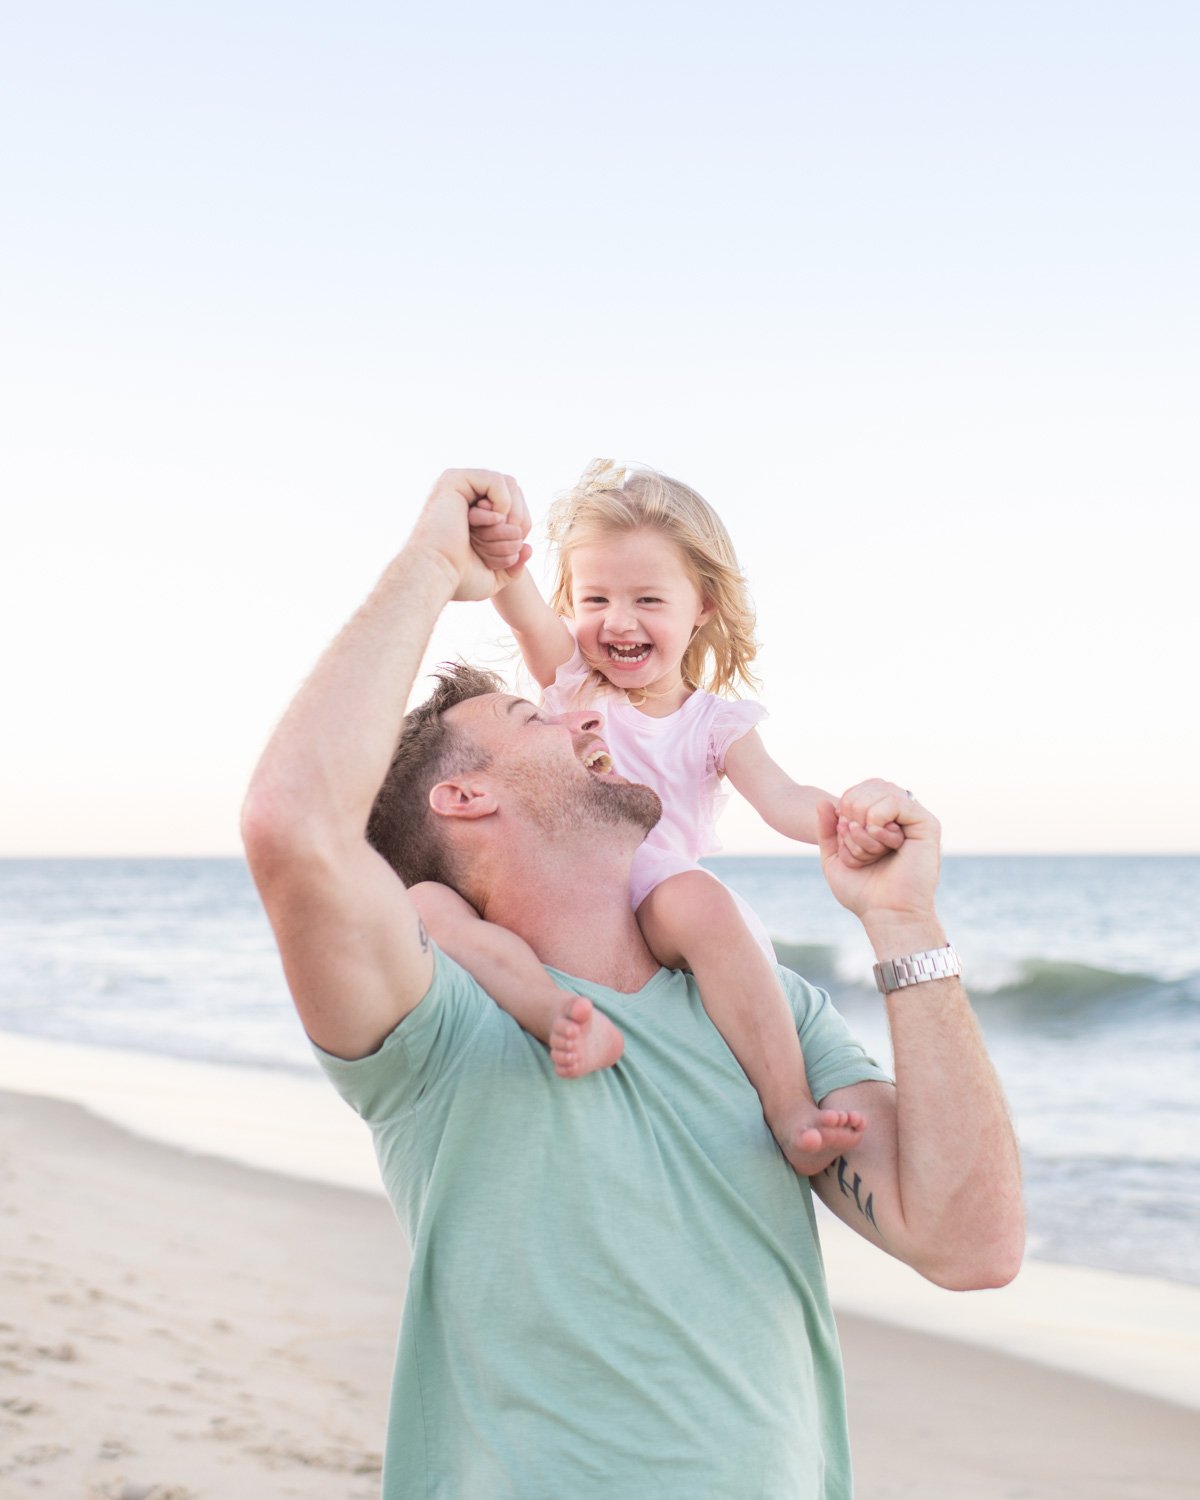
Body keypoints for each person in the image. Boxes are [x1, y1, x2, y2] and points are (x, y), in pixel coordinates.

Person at [241, 468, 1024, 1500]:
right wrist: (436, 565)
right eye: (533, 716)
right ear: (466, 794)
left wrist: (902, 922)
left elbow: (973, 1248)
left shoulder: (762, 1012)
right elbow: (294, 827)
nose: (586, 711)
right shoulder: (439, 1021)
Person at [413, 457, 904, 1177]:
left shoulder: (715, 723)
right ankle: (552, 1013)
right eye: (595, 599)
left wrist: (848, 819)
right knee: (431, 900)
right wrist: (498, 541)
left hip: (651, 897)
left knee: (698, 900)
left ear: (701, 605)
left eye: (648, 600)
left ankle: (790, 1107)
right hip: (560, 888)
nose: (618, 622)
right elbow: (516, 600)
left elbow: (782, 797)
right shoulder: (571, 679)